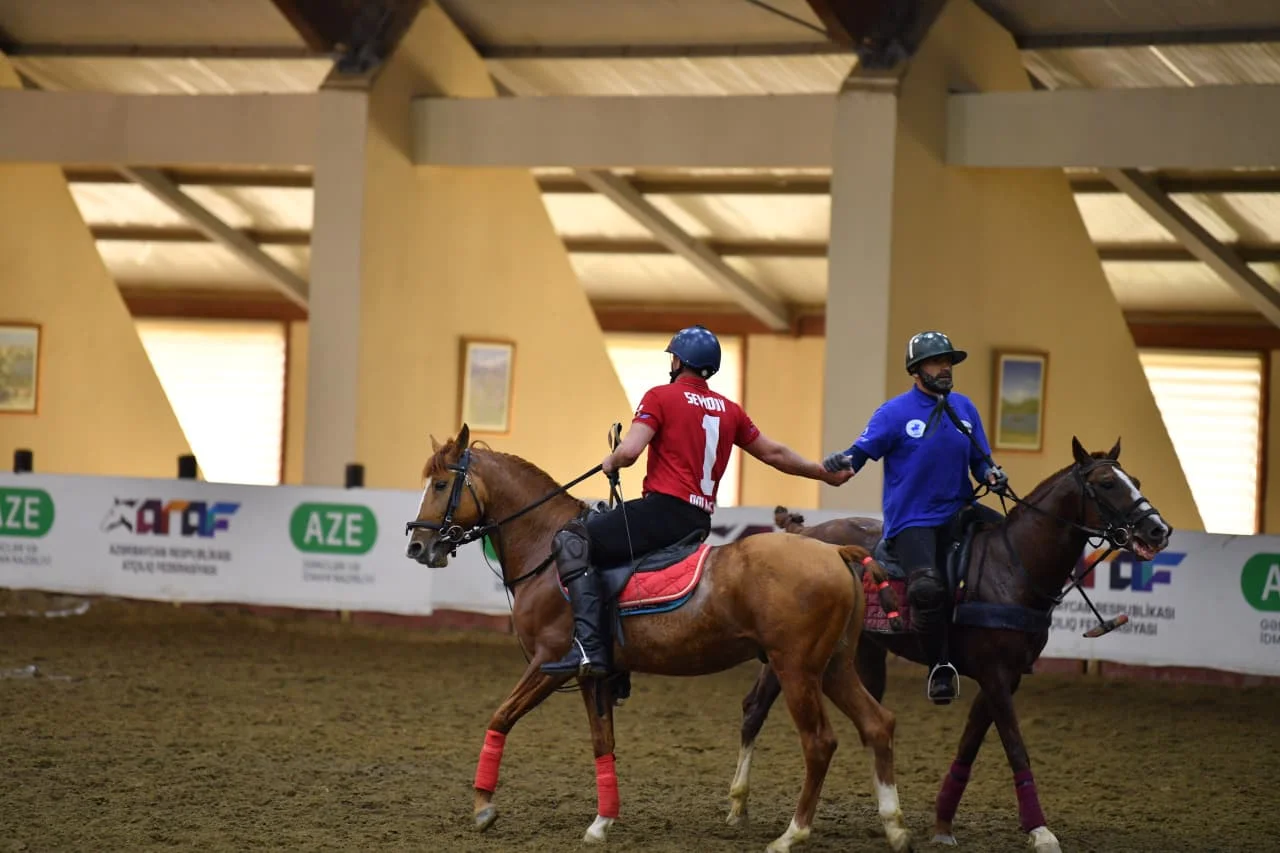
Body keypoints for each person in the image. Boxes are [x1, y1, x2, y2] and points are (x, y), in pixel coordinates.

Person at [541, 324, 854, 678]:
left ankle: (588, 648)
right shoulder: (730, 410)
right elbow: (774, 453)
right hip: (698, 521)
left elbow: (629, 452)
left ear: (678, 361)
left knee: (573, 538)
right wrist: (821, 472)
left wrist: (611, 460)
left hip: (661, 513)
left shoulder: (660, 396)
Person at [821, 330, 1007, 704]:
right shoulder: (893, 413)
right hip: (913, 521)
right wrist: (839, 462)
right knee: (927, 588)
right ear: (916, 370)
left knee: (1014, 544)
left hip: (959, 511)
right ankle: (940, 667)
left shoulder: (965, 408)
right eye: (936, 362)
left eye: (948, 361)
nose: (945, 368)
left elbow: (980, 460)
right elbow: (859, 454)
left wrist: (991, 473)